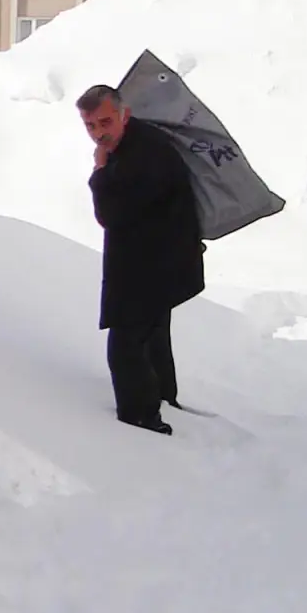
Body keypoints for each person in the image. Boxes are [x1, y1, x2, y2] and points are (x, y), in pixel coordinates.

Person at [76, 83, 205, 435]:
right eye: (90, 126)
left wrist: (100, 173)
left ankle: (141, 419)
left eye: (105, 123)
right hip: (163, 262)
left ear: (124, 115)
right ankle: (164, 396)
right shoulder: (142, 142)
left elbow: (110, 215)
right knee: (152, 334)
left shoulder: (142, 156)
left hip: (150, 266)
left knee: (126, 343)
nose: (99, 134)